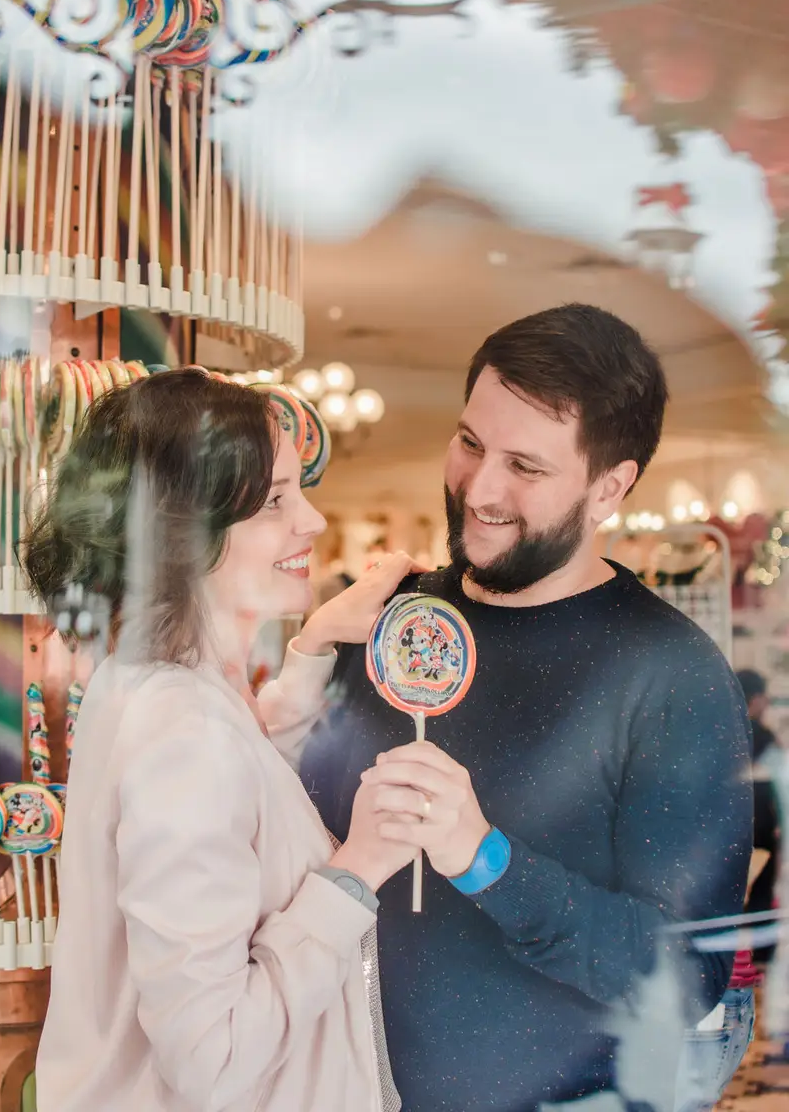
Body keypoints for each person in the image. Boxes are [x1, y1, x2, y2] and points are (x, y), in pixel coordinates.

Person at [299, 304, 753, 1112]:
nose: (481, 488)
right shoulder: (389, 620)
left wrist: (483, 855)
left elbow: (685, 977)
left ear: (611, 487)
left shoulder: (673, 673)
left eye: (526, 467)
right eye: (470, 443)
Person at [23, 369, 422, 1112]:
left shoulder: (143, 677)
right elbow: (214, 1058)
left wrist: (315, 643)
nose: (310, 522)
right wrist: (357, 870)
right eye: (274, 501)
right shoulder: (182, 727)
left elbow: (239, 789)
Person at [737, 669, 780, 956]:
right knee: (761, 894)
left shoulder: (723, 731)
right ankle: (761, 957)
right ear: (755, 699)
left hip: (730, 827)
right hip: (761, 827)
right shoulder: (762, 736)